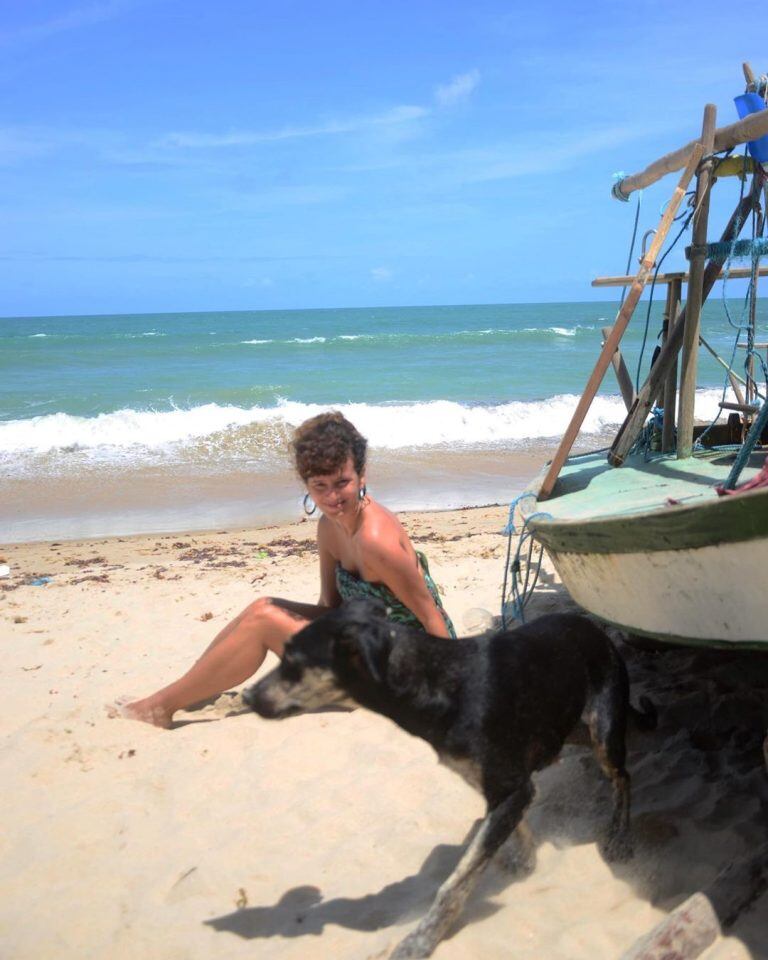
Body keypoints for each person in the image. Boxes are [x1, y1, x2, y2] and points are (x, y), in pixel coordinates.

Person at [115, 412, 455, 727]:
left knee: (265, 622)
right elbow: (329, 607)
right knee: (263, 607)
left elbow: (431, 615)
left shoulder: (375, 540)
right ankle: (194, 687)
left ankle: (161, 708)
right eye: (319, 486)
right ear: (306, 485)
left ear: (361, 475)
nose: (332, 497)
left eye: (342, 482)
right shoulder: (329, 527)